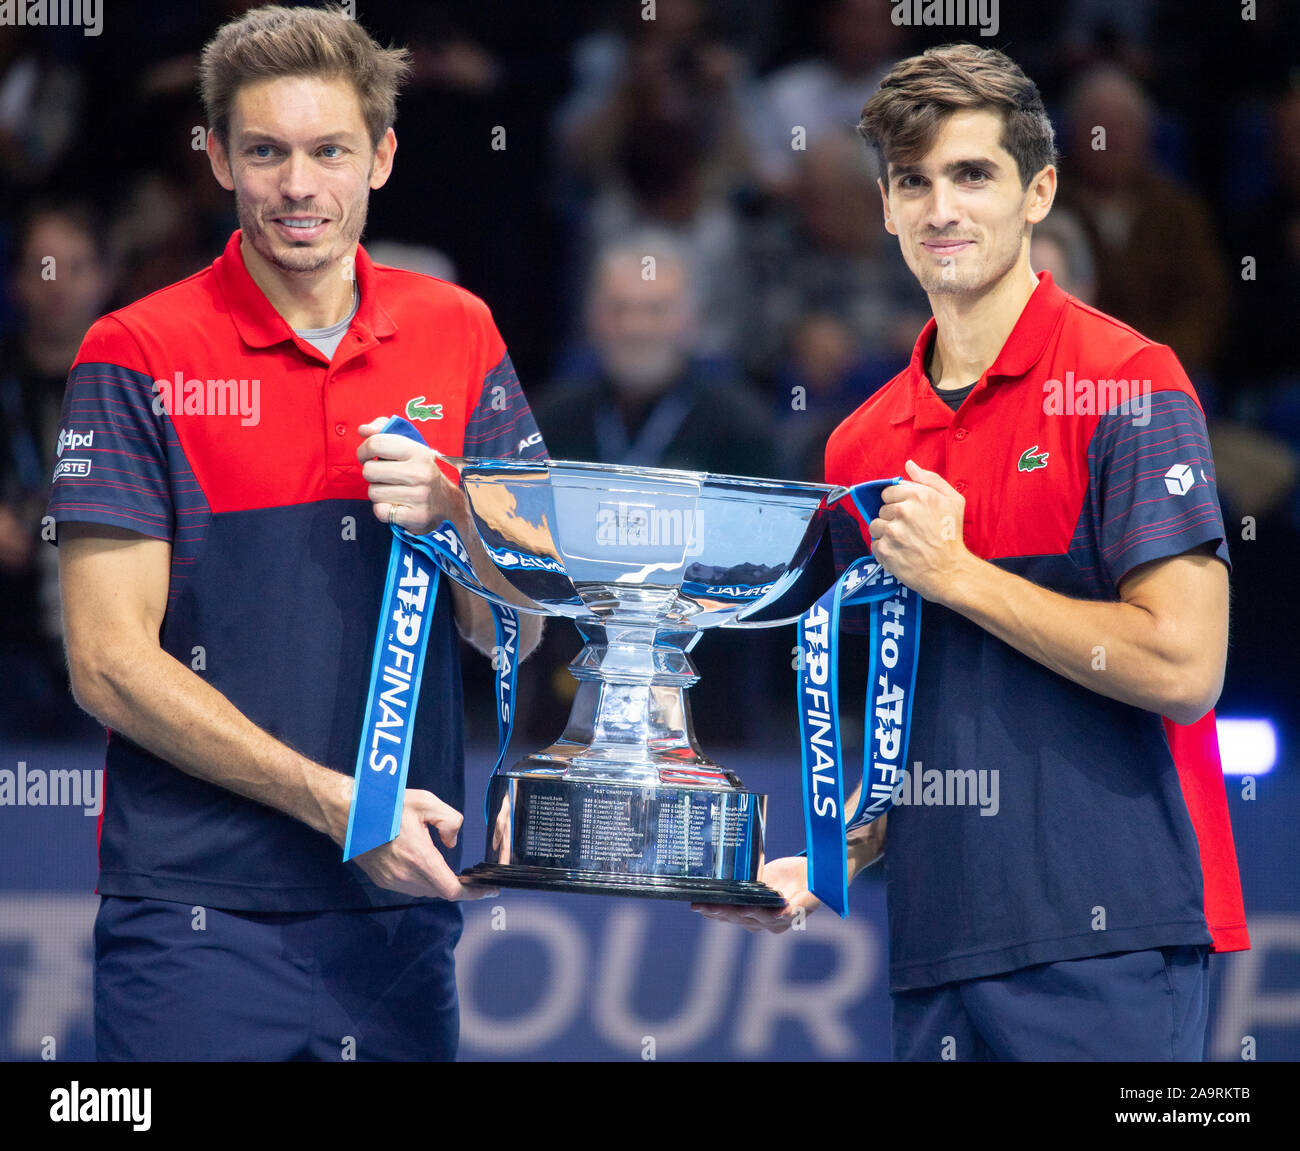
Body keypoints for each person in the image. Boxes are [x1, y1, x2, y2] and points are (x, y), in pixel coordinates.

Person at [698, 43, 1248, 1062]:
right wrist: (835, 855)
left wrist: (959, 574)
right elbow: (921, 720)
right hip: (936, 944)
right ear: (884, 206)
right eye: (913, 180)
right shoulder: (859, 443)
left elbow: (1184, 667)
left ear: (1038, 190)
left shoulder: (1128, 381)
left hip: (1113, 938)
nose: (940, 207)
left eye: (972, 174)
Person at [47, 5, 544, 1062]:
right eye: (266, 151)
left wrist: (460, 517)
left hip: (400, 911)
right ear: (218, 157)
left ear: (383, 156)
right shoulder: (135, 349)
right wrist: (337, 804)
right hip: (197, 915)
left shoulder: (460, 328)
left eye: (329, 151)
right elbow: (106, 664)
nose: (298, 186)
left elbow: (517, 633)